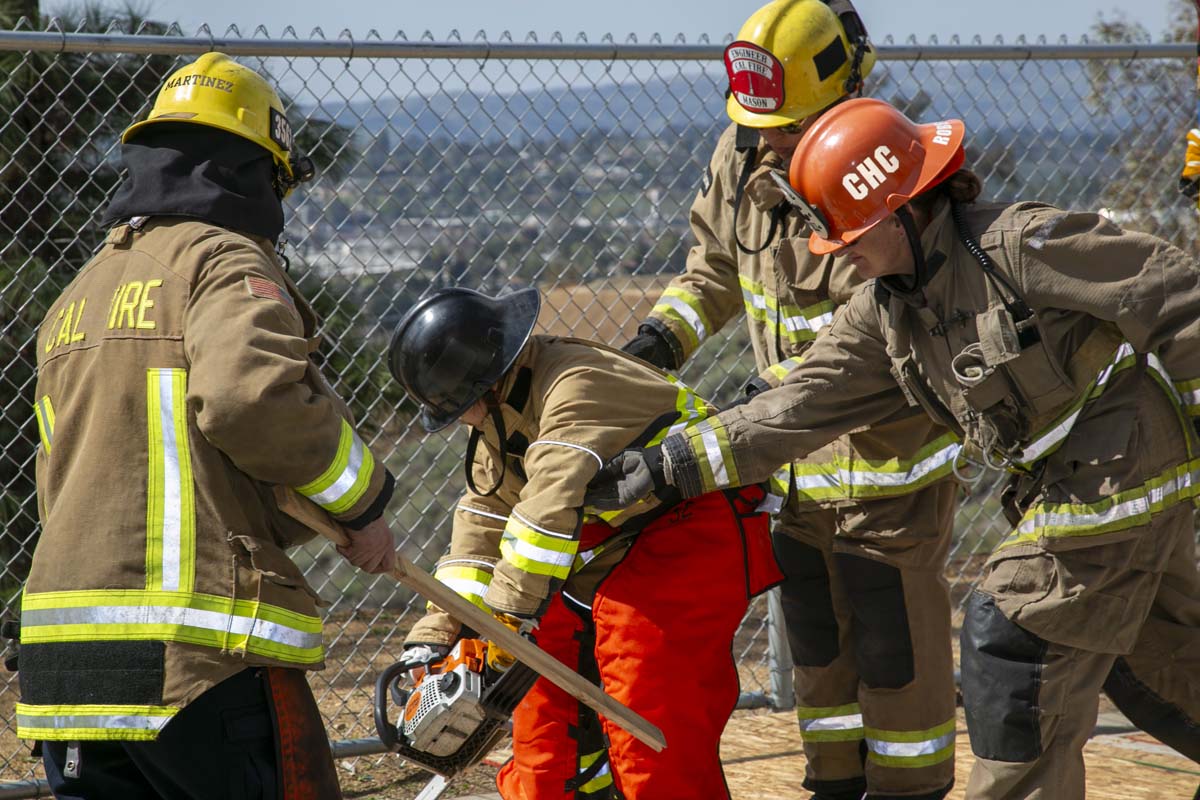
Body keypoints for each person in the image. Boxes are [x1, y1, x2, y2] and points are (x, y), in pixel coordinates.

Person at [588, 97, 1200, 800]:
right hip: (1070, 482)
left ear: (904, 208)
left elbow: (1172, 286)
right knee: (1152, 658)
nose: (836, 246)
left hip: (1121, 461)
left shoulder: (1017, 245)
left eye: (848, 229)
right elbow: (796, 405)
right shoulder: (884, 312)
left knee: (1012, 637)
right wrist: (666, 467)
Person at [19, 53, 398, 800]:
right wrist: (364, 504)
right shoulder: (221, 262)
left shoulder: (80, 294)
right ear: (257, 174)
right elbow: (250, 401)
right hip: (192, 662)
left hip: (67, 665)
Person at [623, 2, 960, 797]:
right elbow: (710, 270)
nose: (770, 141)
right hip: (794, 472)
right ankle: (835, 782)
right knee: (817, 654)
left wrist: (753, 406)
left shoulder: (876, 169)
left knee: (894, 657)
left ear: (847, 97)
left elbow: (864, 332)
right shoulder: (744, 153)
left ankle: (909, 792)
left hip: (889, 474)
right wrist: (656, 345)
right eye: (759, 124)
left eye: (789, 125)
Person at [387, 286, 782, 800]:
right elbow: (482, 520)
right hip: (616, 536)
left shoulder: (573, 386)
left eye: (458, 408)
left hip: (693, 516)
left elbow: (542, 518)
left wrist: (501, 629)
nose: (459, 420)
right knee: (535, 675)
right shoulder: (501, 410)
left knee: (643, 679)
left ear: (483, 386)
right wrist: (438, 636)